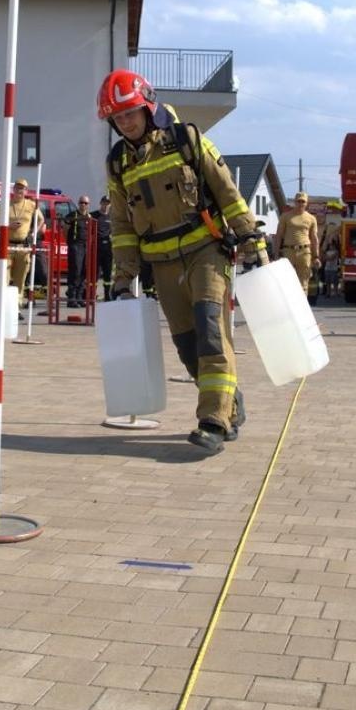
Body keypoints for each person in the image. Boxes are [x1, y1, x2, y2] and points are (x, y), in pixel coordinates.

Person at [98, 69, 261, 455]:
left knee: (209, 333)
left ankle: (212, 422)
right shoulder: (118, 162)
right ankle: (228, 402)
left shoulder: (186, 140)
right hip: (163, 263)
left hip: (206, 253)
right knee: (188, 347)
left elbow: (227, 192)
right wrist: (124, 278)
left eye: (130, 113)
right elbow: (122, 225)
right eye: (117, 117)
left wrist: (251, 236)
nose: (125, 122)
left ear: (147, 106)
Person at [0, 179, 44, 306]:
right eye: (17, 188)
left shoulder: (31, 205)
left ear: (26, 191)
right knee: (4, 278)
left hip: (23, 246)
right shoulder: (5, 204)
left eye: (23, 188)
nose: (20, 190)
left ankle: (17, 306)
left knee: (20, 279)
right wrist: (8, 226)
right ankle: (3, 306)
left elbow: (41, 220)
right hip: (7, 246)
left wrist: (33, 232)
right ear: (13, 189)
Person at [274, 192, 319, 295]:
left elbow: (314, 238)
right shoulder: (285, 216)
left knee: (303, 282)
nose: (301, 203)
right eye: (298, 201)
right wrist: (276, 254)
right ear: (295, 202)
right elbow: (278, 236)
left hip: (305, 252)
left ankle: (302, 307)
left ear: (307, 203)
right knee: (286, 280)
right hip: (288, 250)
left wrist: (316, 256)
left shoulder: (311, 218)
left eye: (303, 201)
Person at [64, 196, 92, 307]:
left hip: (85, 246)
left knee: (83, 272)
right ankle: (71, 298)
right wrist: (70, 243)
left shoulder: (89, 217)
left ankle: (79, 297)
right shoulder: (72, 216)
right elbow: (64, 228)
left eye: (86, 203)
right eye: (81, 202)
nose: (83, 205)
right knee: (75, 270)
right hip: (75, 245)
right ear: (78, 203)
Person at [91, 195, 113, 300]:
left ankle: (107, 294)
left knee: (107, 273)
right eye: (104, 203)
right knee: (95, 272)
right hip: (96, 248)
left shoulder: (112, 217)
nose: (106, 205)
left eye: (108, 203)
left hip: (108, 248)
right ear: (101, 203)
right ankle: (92, 294)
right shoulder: (94, 215)